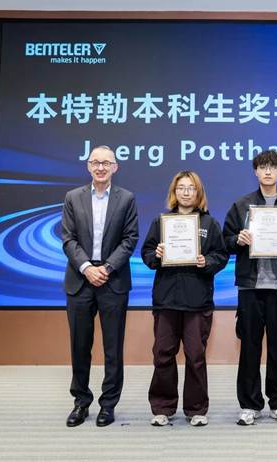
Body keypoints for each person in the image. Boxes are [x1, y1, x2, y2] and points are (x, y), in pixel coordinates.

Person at [223, 150, 277, 426]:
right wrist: (238, 239)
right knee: (249, 347)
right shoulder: (242, 205)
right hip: (250, 287)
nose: (268, 172)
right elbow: (225, 241)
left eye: (273, 167)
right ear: (256, 172)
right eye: (262, 167)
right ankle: (250, 404)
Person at [141, 171, 228, 427]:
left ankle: (196, 409)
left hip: (197, 301)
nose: (186, 192)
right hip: (166, 300)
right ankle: (163, 407)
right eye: (181, 188)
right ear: (174, 192)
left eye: (191, 188)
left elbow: (221, 256)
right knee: (162, 354)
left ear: (198, 193)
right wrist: (157, 254)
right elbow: (147, 254)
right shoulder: (161, 222)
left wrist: (206, 261)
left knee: (195, 356)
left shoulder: (209, 224)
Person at [61, 145, 139, 427]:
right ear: (88, 166)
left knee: (112, 348)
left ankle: (108, 405)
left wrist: (105, 268)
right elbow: (68, 239)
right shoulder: (73, 197)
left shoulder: (126, 198)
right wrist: (87, 268)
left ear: (115, 167)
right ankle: (81, 402)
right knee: (79, 346)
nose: (101, 167)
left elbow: (130, 239)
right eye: (96, 162)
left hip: (112, 280)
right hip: (80, 280)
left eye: (106, 163)